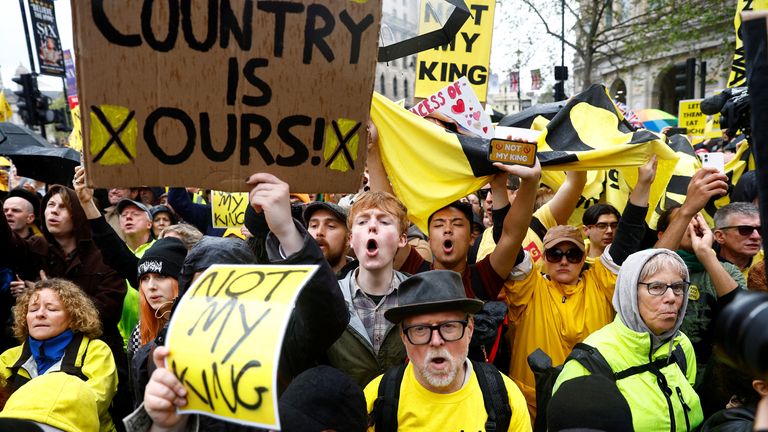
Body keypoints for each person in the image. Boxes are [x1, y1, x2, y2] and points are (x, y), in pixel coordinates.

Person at [127, 172, 349, 431]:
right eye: (205, 287)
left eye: (228, 287)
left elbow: (326, 317)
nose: (215, 300)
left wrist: (287, 231)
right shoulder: (156, 356)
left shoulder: (279, 344)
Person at [504, 158, 655, 418]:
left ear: (584, 257)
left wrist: (643, 184)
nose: (564, 260)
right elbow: (508, 239)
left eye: (572, 254)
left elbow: (627, 237)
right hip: (533, 407)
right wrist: (503, 189)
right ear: (543, 258)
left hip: (591, 405)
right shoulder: (529, 289)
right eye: (555, 254)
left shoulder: (600, 282)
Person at [553, 249, 703, 431]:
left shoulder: (681, 346)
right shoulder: (591, 361)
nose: (671, 298)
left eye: (678, 287)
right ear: (629, 292)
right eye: (656, 287)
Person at [363, 270, 531, 431]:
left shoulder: (506, 398)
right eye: (420, 329)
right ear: (404, 337)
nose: (436, 341)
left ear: (469, 330)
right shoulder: (376, 398)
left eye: (449, 326)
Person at [0, 278, 118, 431]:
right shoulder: (8, 358)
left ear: (73, 317)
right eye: (33, 309)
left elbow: (95, 401)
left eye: (52, 309)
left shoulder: (96, 351)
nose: (40, 314)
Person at [325, 190, 412, 386]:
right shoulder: (329, 299)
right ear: (350, 240)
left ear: (402, 239)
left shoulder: (419, 296)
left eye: (384, 221)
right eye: (362, 222)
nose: (372, 226)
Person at [303, 201, 355, 277]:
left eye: (331, 226)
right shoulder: (296, 281)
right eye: (314, 226)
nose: (319, 232)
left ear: (348, 238)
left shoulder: (360, 282)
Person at [714, 202, 763, 280]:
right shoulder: (700, 263)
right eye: (745, 229)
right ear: (720, 236)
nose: (756, 236)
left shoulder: (764, 262)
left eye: (761, 229)